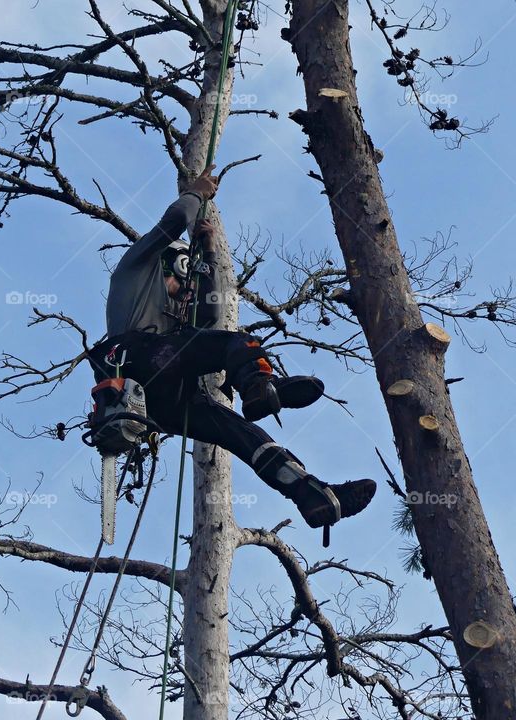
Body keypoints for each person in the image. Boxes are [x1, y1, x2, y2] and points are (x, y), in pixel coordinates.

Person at [88, 166, 376, 530]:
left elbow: (208, 317)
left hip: (159, 402)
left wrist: (208, 254)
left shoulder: (170, 323)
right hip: (135, 358)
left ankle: (311, 494)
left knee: (236, 432)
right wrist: (197, 192)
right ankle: (259, 386)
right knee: (237, 342)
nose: (187, 287)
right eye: (184, 275)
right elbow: (176, 219)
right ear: (169, 264)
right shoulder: (135, 270)